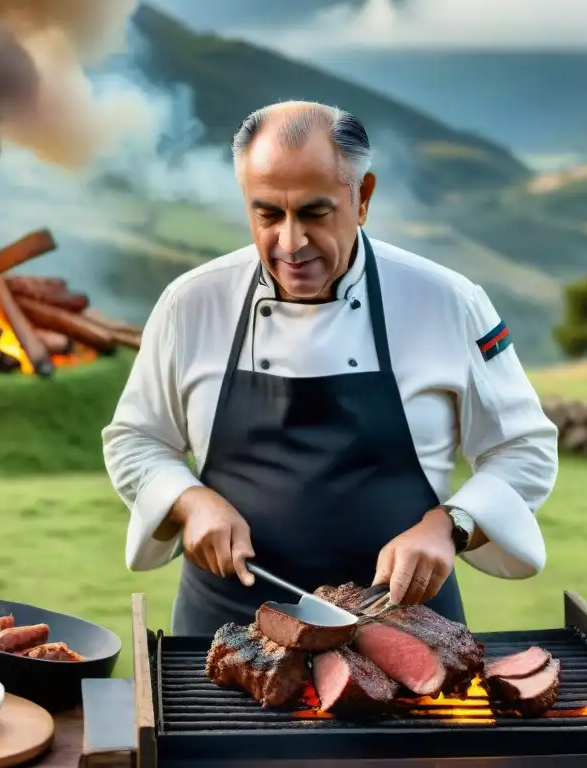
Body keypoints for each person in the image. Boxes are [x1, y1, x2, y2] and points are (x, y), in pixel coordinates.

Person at [102, 100, 559, 635]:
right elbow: (136, 440)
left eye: (315, 213)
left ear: (361, 198)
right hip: (226, 632)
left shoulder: (448, 301)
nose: (290, 243)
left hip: (407, 629)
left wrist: (450, 526)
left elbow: (522, 449)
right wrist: (187, 501)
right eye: (267, 213)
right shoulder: (191, 301)